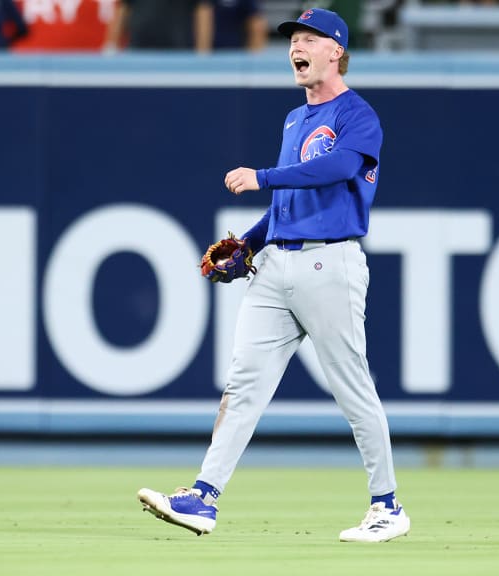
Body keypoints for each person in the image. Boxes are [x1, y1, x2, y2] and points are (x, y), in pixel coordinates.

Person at [137, 8, 410, 544]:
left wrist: (261, 176)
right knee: (243, 384)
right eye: (293, 39)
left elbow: (334, 170)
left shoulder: (358, 115)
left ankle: (387, 505)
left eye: (309, 38)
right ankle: (203, 497)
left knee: (352, 388)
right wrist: (250, 242)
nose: (296, 47)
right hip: (277, 264)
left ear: (336, 51)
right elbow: (289, 198)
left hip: (330, 262)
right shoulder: (293, 119)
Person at [102, 0, 213, 53]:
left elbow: (203, 10)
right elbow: (122, 8)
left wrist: (203, 53)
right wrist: (111, 46)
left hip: (177, 52)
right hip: (137, 51)